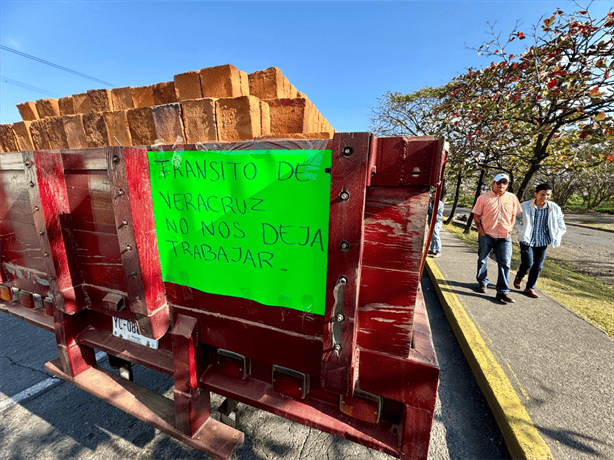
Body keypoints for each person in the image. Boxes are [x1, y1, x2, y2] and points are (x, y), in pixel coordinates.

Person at [471, 173, 522, 303]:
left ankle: (502, 292)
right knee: (482, 259)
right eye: (499, 182)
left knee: (505, 263)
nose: (501, 185)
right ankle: (482, 282)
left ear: (507, 185)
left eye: (504, 182)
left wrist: (509, 228)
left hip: (504, 236)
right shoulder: (483, 198)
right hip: (487, 234)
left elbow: (513, 215)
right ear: (493, 183)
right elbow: (476, 216)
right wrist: (481, 232)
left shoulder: (512, 198)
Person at [513, 183, 566, 298]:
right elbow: (514, 218)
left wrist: (558, 233)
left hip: (542, 241)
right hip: (527, 239)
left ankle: (529, 288)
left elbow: (561, 222)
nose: (545, 197)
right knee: (528, 262)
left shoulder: (553, 207)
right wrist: (520, 229)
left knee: (537, 266)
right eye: (542, 194)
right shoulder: (525, 206)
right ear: (536, 194)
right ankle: (520, 276)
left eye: (548, 195)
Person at [428, 193, 444, 257]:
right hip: (431, 221)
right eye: (432, 195)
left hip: (437, 221)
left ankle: (438, 251)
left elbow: (433, 212)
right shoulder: (432, 202)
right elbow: (428, 212)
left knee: (436, 235)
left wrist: (429, 204)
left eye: (434, 195)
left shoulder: (439, 203)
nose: (432, 196)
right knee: (432, 236)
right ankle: (432, 249)